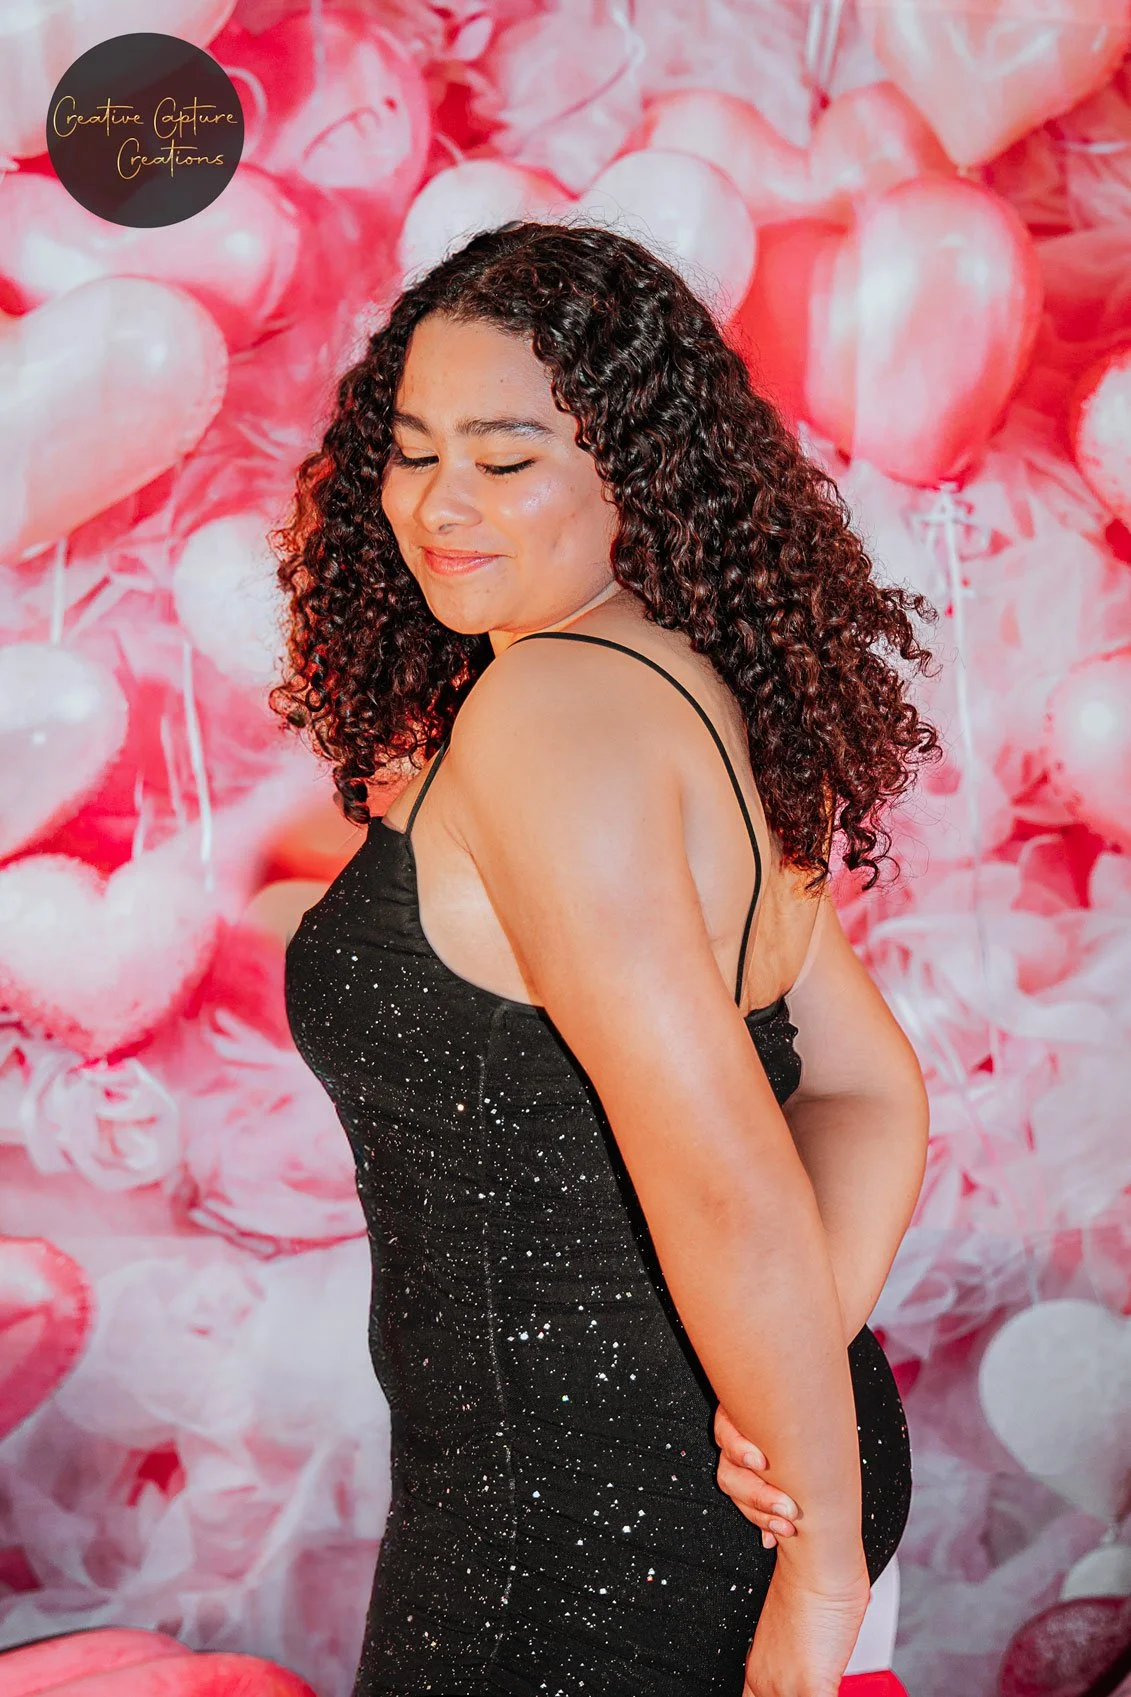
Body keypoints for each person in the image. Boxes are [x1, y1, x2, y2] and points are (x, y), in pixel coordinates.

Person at [275, 220, 938, 1697]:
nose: (440, 502)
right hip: (708, 1473)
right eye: (410, 448)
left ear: (633, 473)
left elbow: (723, 1172)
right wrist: (783, 1396)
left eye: (505, 459)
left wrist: (814, 1574)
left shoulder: (553, 724)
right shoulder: (666, 676)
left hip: (581, 1539)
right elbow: (859, 1089)